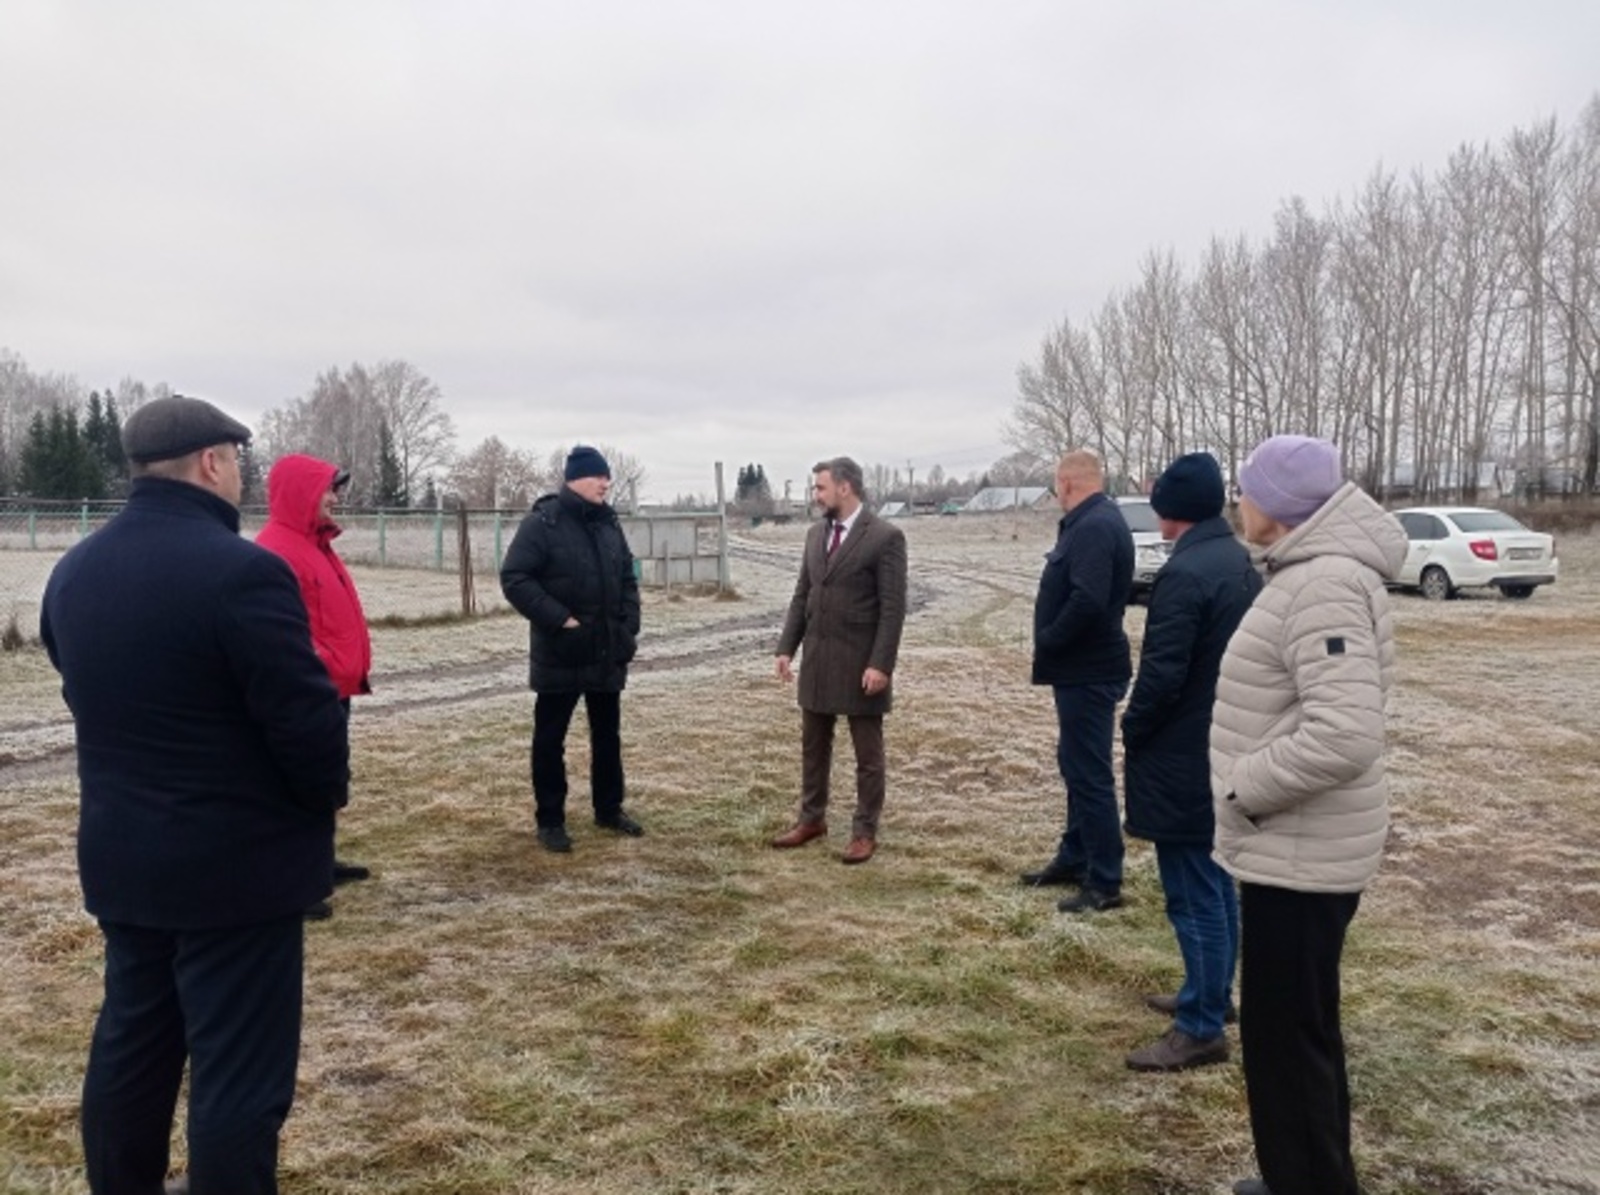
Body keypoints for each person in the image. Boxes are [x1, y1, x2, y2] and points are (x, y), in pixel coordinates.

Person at [39, 395, 349, 1195]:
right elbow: (305, 721)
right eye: (238, 460)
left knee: (132, 1049)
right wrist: (319, 805)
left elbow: (81, 686)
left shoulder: (74, 571)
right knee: (239, 1076)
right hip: (236, 874)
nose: (241, 475)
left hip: (125, 860)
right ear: (212, 462)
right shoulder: (243, 572)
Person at [1210, 435, 1405, 1195]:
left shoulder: (1322, 585)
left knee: (1287, 1040)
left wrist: (1242, 786)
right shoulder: (1308, 576)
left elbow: (1345, 732)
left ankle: (1308, 1182)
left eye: (1246, 490)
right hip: (1296, 848)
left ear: (1278, 506)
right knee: (1299, 1033)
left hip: (1301, 850)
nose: (1239, 503)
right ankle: (1308, 1175)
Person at [1120, 452, 1261, 1072]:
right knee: (1216, 880)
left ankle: (1201, 1026)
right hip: (1224, 740)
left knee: (1192, 889)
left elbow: (1163, 672)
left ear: (1169, 508)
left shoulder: (1187, 573)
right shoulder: (1236, 561)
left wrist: (1133, 724)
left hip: (1184, 749)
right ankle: (1212, 996)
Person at [500, 445, 643, 852]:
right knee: (550, 739)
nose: (606, 483)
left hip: (606, 650)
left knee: (607, 735)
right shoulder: (542, 522)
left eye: (607, 477)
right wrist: (560, 619)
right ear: (575, 478)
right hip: (560, 651)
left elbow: (627, 578)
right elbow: (515, 578)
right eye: (599, 477)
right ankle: (550, 820)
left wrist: (627, 626)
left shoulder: (608, 523)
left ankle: (609, 809)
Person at [772, 456, 908, 864]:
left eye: (820, 488)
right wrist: (785, 648)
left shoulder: (885, 537)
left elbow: (892, 609)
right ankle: (811, 819)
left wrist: (881, 664)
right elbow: (803, 596)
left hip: (860, 664)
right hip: (817, 660)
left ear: (845, 488)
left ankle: (864, 831)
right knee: (813, 747)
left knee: (868, 755)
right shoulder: (815, 534)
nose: (815, 495)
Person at [256, 453, 374, 919]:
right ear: (303, 492)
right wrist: (318, 666)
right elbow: (283, 632)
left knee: (326, 778)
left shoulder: (316, 544)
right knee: (296, 785)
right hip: (307, 690)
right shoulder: (277, 550)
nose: (336, 499)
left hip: (333, 688)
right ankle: (293, 883)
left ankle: (319, 862)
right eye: (329, 489)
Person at [1023, 450, 1135, 912]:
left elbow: (1088, 600)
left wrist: (1049, 639)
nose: (1056, 495)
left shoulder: (1094, 526)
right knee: (1075, 764)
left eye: (1055, 487)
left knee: (1089, 774)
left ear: (1067, 483)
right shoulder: (1095, 521)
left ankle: (1104, 880)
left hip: (1089, 671)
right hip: (1081, 670)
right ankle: (1074, 856)